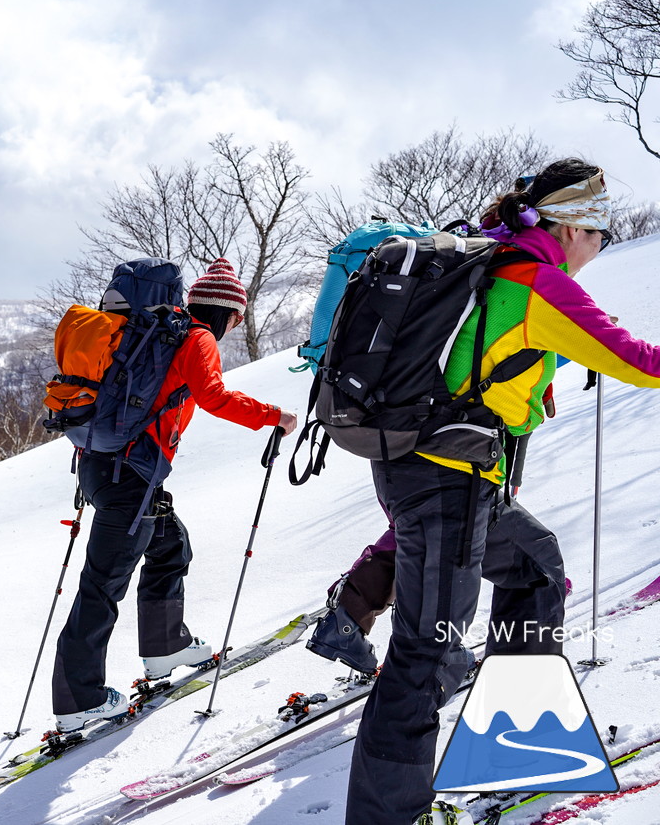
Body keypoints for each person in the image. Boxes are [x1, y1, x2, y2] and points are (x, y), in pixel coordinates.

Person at [345, 160, 660, 824]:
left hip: (448, 473)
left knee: (535, 565)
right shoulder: (535, 280)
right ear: (575, 225)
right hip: (443, 478)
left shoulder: (498, 265)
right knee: (428, 649)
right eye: (599, 235)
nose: (599, 250)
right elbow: (632, 357)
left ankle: (519, 743)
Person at [50, 258, 299, 731]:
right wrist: (275, 416)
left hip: (107, 468)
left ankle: (165, 647)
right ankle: (78, 700)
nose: (234, 326)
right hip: (131, 477)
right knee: (101, 585)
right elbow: (215, 397)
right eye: (238, 317)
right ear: (226, 313)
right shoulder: (193, 337)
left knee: (170, 546)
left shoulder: (159, 333)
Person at [308, 431, 569, 675]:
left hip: (395, 450)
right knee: (538, 561)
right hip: (450, 460)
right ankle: (436, 661)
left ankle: (349, 619)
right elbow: (510, 407)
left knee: (415, 533)